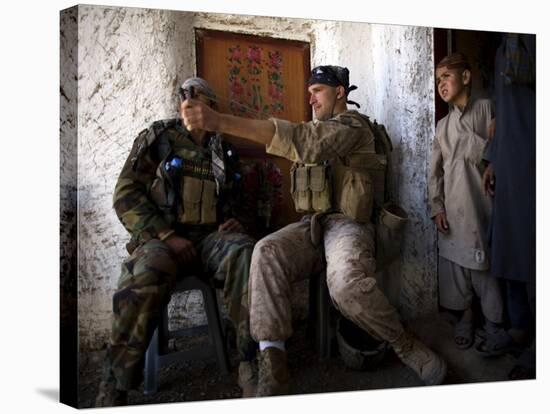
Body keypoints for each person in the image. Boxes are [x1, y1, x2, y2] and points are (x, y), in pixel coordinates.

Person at [182, 65, 447, 396]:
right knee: (266, 251)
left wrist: (218, 122)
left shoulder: (353, 126)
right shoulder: (319, 127)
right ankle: (273, 366)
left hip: (348, 225)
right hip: (315, 224)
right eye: (308, 92)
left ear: (339, 92)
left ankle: (405, 344)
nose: (310, 98)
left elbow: (306, 142)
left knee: (346, 285)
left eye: (317, 90)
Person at [95, 77, 258, 407]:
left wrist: (237, 220)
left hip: (211, 241)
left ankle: (250, 364)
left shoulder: (223, 150)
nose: (190, 107)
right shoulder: (159, 137)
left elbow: (242, 201)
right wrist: (166, 236)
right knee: (145, 272)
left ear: (211, 107)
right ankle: (116, 383)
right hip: (162, 238)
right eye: (186, 100)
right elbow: (125, 195)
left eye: (198, 101)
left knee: (247, 255)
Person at [429, 53, 504, 350]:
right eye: (437, 80)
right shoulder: (442, 126)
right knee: (457, 265)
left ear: (466, 77)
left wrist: (492, 159)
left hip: (482, 204)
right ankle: (466, 316)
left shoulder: (488, 109)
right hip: (454, 204)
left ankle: (495, 323)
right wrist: (437, 207)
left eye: (446, 76)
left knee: (483, 265)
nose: (440, 84)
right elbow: (434, 172)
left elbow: (501, 149)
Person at [480, 33, 536, 379]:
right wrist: (492, 159)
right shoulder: (504, 46)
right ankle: (519, 328)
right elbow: (503, 110)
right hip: (511, 161)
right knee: (509, 245)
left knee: (533, 251)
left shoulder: (528, 37)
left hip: (534, 161)